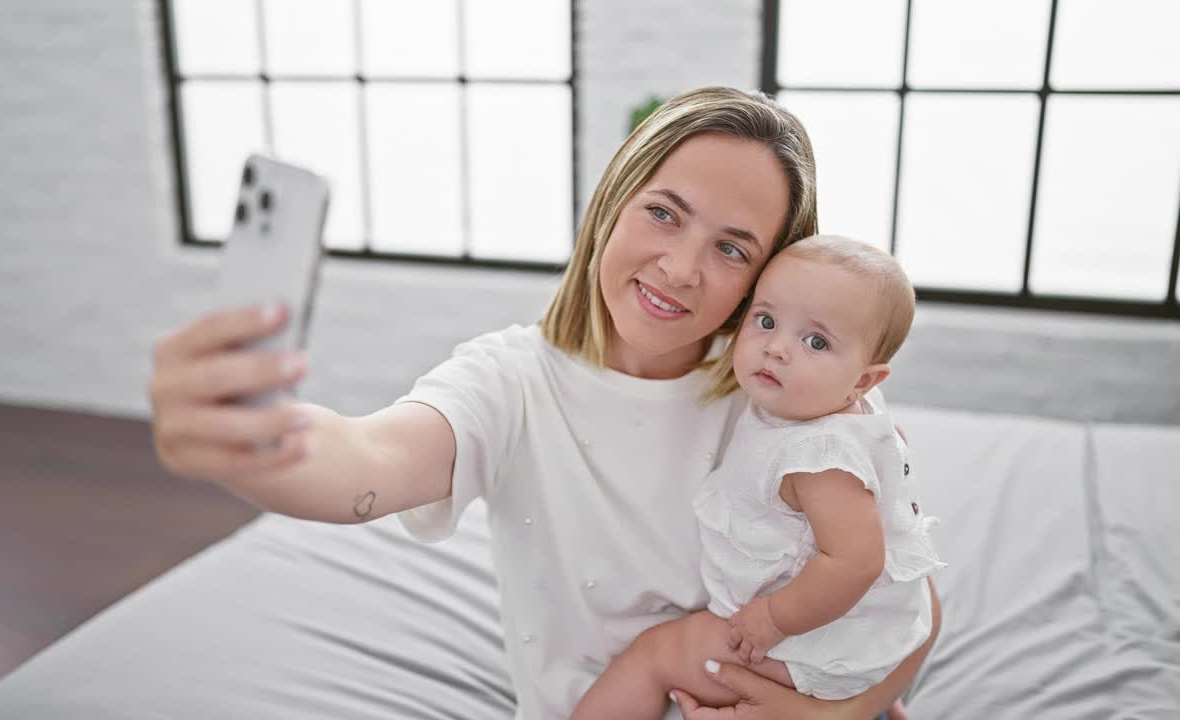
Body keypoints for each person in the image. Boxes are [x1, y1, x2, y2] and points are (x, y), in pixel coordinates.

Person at [148, 87, 941, 720]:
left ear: (767, 276)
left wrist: (846, 710)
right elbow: (371, 462)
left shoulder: (787, 395)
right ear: (612, 206)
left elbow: (913, 598)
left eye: (731, 248)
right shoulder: (511, 383)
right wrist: (258, 439)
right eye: (664, 213)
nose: (681, 267)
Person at [572, 235, 944, 719]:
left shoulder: (818, 460)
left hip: (803, 636)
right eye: (765, 321)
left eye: (816, 342)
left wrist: (771, 619)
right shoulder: (839, 403)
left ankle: (833, 685)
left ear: (864, 380)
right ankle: (859, 692)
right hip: (862, 630)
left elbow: (857, 562)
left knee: (655, 655)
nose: (776, 349)